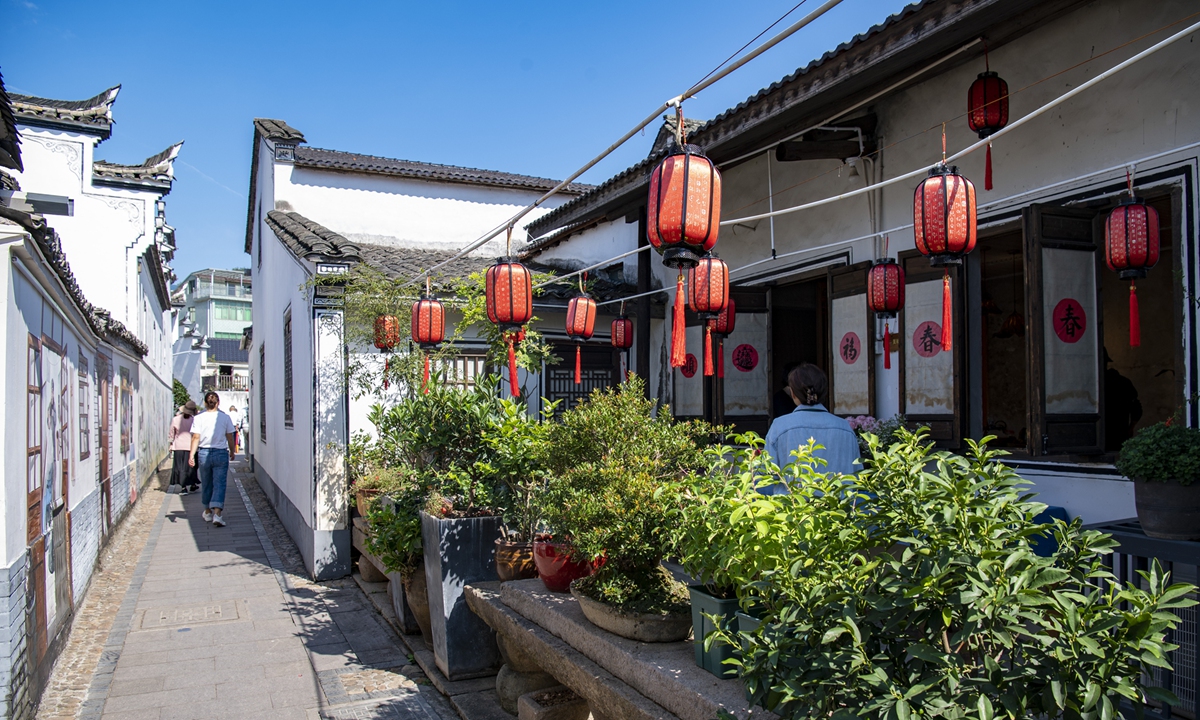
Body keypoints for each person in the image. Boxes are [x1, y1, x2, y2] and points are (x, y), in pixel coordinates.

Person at [762, 363, 859, 494]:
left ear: (792, 393)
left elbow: (766, 475)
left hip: (792, 511)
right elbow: (857, 476)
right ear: (825, 391)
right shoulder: (845, 428)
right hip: (838, 510)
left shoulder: (780, 426)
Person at [189, 391, 237, 527]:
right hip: (221, 453)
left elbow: (195, 437)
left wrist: (191, 455)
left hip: (204, 453)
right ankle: (218, 514)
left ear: (205, 403)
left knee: (206, 482)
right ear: (218, 403)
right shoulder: (225, 417)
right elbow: (230, 436)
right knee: (220, 483)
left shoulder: (198, 418)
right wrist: (232, 451)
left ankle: (207, 511)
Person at [169, 401, 200, 493]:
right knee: (191, 467)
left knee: (180, 467)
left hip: (178, 446)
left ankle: (183, 487)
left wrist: (171, 443)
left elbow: (171, 433)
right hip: (191, 446)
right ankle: (193, 484)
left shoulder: (176, 419)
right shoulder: (194, 420)